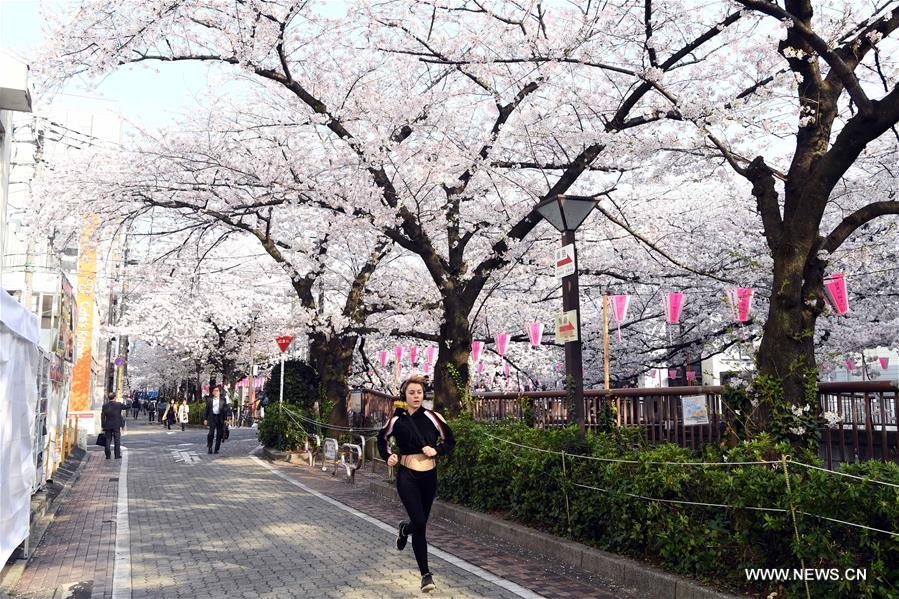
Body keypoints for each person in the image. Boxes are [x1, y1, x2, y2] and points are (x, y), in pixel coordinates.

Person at [376, 375, 455, 593]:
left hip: (429, 476)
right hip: (407, 476)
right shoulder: (396, 420)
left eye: (419, 392)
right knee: (420, 523)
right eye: (411, 392)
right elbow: (381, 439)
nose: (416, 396)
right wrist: (388, 456)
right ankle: (426, 575)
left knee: (419, 524)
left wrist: (437, 450)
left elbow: (451, 441)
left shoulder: (433, 417)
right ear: (405, 395)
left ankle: (404, 529)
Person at [100, 392, 125, 460]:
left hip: (107, 425)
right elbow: (127, 407)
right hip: (116, 425)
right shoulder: (118, 404)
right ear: (115, 397)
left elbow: (102, 416)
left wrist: (103, 425)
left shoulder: (105, 406)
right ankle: (117, 455)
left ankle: (108, 455)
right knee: (117, 440)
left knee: (108, 441)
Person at [204, 386, 228, 454]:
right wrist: (205, 419)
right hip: (212, 418)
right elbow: (207, 410)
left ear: (219, 392)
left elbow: (225, 410)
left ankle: (216, 448)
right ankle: (210, 447)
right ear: (212, 392)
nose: (216, 392)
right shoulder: (209, 400)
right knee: (210, 433)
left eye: (217, 391)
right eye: (214, 391)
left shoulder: (223, 400)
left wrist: (225, 419)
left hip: (220, 418)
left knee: (219, 434)